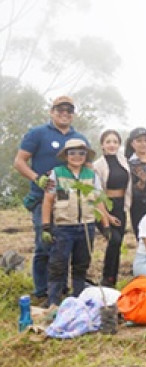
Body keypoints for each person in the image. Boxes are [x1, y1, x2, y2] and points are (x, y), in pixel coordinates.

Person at [14, 96, 87, 302]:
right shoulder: (37, 133)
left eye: (69, 110)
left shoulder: (79, 138)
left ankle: (60, 287)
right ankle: (41, 290)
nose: (65, 114)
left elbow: (87, 166)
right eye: (60, 110)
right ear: (51, 112)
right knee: (44, 244)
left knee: (64, 245)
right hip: (42, 199)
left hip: (70, 203)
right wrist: (36, 178)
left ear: (73, 114)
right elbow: (19, 161)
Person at [41, 139, 112, 306]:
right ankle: (53, 301)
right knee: (58, 265)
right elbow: (48, 200)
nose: (77, 156)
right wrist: (46, 226)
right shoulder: (56, 173)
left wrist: (106, 225)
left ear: (86, 155)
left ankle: (79, 299)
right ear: (66, 155)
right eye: (72, 153)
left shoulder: (91, 175)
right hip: (63, 228)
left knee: (81, 265)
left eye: (81, 153)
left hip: (86, 227)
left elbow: (98, 201)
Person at [92, 130, 131, 287]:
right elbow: (96, 193)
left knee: (118, 243)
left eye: (115, 142)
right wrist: (106, 215)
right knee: (113, 239)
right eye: (108, 142)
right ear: (102, 145)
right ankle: (106, 278)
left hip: (121, 206)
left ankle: (112, 279)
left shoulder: (124, 161)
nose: (112, 145)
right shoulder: (97, 165)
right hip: (104, 206)